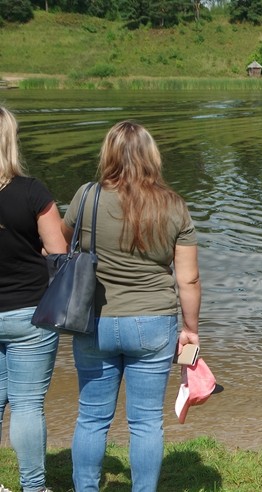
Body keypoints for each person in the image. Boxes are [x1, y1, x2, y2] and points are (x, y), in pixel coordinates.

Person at [64, 121, 201, 492]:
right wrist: (191, 329)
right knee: (145, 422)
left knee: (91, 418)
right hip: (154, 323)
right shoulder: (174, 205)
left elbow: (64, 246)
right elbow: (187, 279)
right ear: (151, 156)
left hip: (94, 320)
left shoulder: (86, 196)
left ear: (107, 153)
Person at [0, 106, 67, 492]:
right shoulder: (32, 191)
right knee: (26, 404)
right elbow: (59, 255)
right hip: (28, 311)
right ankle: (34, 486)